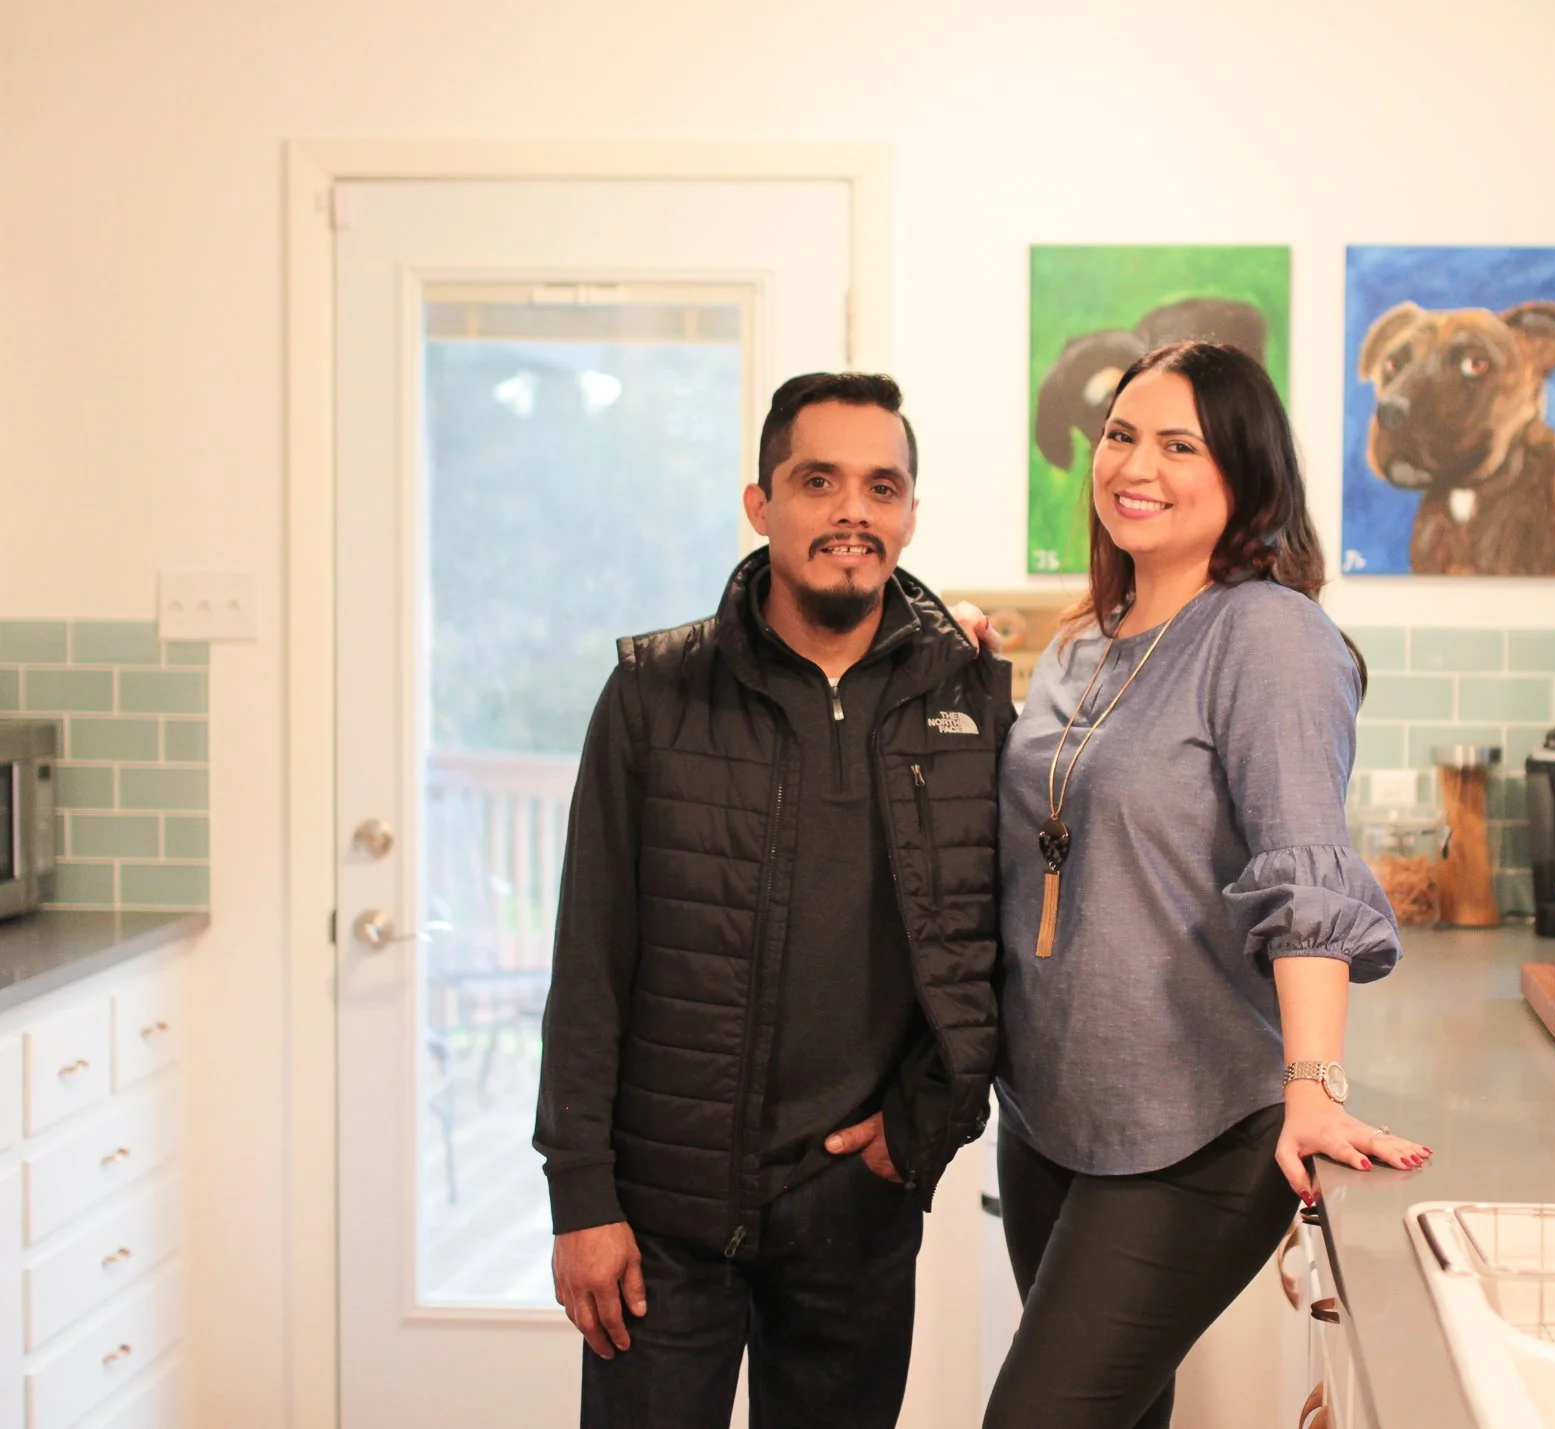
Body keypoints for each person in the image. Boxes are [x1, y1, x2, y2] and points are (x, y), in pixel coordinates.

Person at [534, 371, 1015, 1428]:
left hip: (856, 1208)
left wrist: (926, 1119)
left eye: (881, 487)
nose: (853, 511)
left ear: (910, 514)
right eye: (817, 480)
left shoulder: (968, 699)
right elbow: (588, 961)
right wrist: (582, 1197)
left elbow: (996, 938)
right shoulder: (654, 695)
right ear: (761, 504)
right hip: (659, 1218)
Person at [984, 342, 1431, 1429]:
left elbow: (1303, 867)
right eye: (1121, 436)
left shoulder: (1268, 635)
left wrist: (1312, 1085)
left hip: (1196, 1125)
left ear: (1246, 475)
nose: (1135, 465)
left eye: (1178, 445)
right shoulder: (1083, 641)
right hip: (1049, 1115)